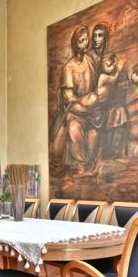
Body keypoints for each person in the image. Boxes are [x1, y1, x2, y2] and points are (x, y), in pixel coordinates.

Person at [50, 26, 97, 172]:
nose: (86, 43)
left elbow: (95, 89)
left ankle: (90, 163)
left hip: (91, 109)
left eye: (86, 39)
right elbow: (69, 97)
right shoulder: (69, 68)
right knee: (73, 127)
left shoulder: (90, 61)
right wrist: (84, 102)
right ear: (75, 43)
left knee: (94, 132)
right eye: (81, 40)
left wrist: (91, 102)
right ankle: (80, 164)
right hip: (74, 110)